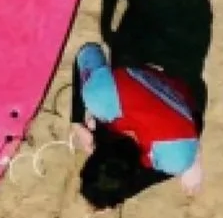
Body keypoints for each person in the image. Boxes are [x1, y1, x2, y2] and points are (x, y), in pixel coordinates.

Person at [68, 39, 205, 205]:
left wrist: (190, 164)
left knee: (188, 174)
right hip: (145, 68)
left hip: (186, 101)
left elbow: (194, 127)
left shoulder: (175, 157)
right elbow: (88, 50)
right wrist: (77, 120)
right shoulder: (100, 96)